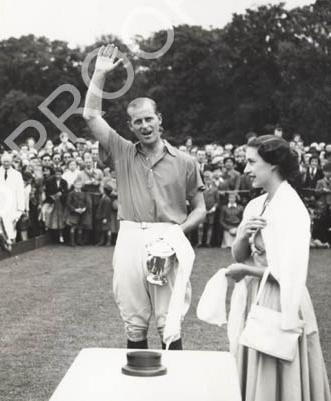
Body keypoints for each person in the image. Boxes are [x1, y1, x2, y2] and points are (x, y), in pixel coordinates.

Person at [82, 44, 206, 350]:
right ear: (130, 126)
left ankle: (175, 393)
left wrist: (178, 233)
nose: (144, 126)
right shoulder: (122, 151)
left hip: (168, 236)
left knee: (169, 323)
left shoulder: (185, 162)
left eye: (149, 119)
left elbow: (200, 208)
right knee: (134, 322)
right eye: (137, 122)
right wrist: (99, 72)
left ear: (159, 119)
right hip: (130, 235)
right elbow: (90, 114)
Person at [224, 135, 330, 401]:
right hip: (254, 298)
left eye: (251, 162)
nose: (245, 169)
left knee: (274, 370)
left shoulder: (292, 208)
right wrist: (242, 236)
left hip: (280, 299)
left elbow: (289, 273)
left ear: (272, 165)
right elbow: (239, 255)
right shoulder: (255, 204)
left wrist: (246, 272)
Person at [0, 153, 25, 244]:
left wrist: (21, 208)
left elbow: (20, 192)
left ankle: (11, 243)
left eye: (8, 161)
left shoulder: (17, 174)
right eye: (4, 161)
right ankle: (1, 245)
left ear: (11, 162)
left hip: (12, 205)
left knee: (11, 226)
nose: (6, 163)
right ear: (1, 162)